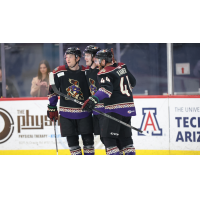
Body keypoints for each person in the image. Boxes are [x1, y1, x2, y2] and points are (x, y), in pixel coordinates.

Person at [82, 49, 137, 155]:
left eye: (98, 60)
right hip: (128, 108)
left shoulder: (104, 72)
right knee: (126, 141)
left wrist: (93, 100)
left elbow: (106, 90)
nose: (97, 63)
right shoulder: (122, 66)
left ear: (103, 61)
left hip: (114, 109)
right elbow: (133, 82)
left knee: (108, 140)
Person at [47, 47, 94, 155]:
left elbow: (93, 90)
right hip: (66, 115)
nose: (67, 59)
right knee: (73, 146)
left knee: (89, 144)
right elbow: (52, 91)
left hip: (84, 114)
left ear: (78, 58)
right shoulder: (59, 71)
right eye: (66, 57)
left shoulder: (86, 71)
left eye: (70, 57)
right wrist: (52, 106)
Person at [83, 45, 106, 142]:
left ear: (94, 57)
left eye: (88, 55)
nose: (85, 58)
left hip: (106, 111)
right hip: (96, 111)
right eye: (85, 55)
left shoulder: (102, 71)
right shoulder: (87, 71)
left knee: (109, 139)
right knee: (103, 138)